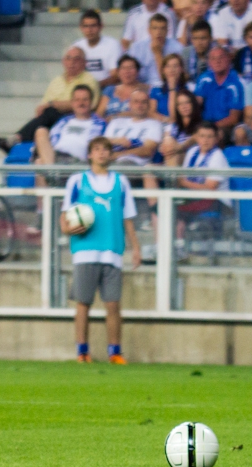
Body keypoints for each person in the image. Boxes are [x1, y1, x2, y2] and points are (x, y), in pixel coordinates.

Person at [59, 137, 141, 365]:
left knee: (113, 304)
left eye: (106, 150)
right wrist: (68, 228)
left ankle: (115, 352)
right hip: (85, 249)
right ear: (90, 155)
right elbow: (65, 214)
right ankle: (82, 351)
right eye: (97, 150)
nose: (102, 153)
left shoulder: (121, 182)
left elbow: (128, 217)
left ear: (111, 155)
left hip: (113, 249)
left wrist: (136, 247)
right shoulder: (77, 181)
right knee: (83, 303)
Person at [0, 47, 101, 149]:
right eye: (68, 59)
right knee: (45, 117)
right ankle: (18, 144)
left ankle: (16, 139)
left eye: (76, 59)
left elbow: (87, 104)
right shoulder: (56, 81)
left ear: (84, 62)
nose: (72, 62)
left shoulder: (89, 79)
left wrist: (53, 104)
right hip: (52, 119)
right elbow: (44, 105)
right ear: (63, 61)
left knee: (50, 112)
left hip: (75, 117)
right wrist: (46, 107)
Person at [34, 85, 107, 169]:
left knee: (40, 163)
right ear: (72, 103)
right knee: (41, 131)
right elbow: (51, 142)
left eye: (85, 99)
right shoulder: (63, 121)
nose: (81, 103)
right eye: (77, 100)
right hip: (56, 157)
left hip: (79, 162)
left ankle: (51, 173)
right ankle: (52, 171)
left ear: (91, 102)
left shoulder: (101, 124)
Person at [177, 122, 231, 235]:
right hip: (195, 197)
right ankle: (176, 243)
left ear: (216, 139)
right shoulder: (192, 152)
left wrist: (184, 183)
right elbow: (185, 177)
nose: (205, 140)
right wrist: (184, 183)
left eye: (209, 136)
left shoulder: (217, 156)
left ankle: (179, 243)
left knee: (177, 210)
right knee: (168, 208)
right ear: (196, 137)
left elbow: (210, 188)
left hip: (217, 201)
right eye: (202, 136)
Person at [194, 46, 246, 139]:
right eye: (213, 58)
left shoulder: (236, 82)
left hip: (225, 127)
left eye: (221, 57)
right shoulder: (204, 78)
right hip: (205, 124)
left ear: (229, 59)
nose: (217, 61)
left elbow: (234, 119)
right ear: (209, 62)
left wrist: (211, 128)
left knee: (218, 135)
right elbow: (196, 105)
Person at [103, 90, 164, 166]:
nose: (140, 105)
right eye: (136, 102)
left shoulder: (155, 124)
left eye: (143, 102)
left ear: (148, 105)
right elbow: (102, 144)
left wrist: (118, 154)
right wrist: (117, 141)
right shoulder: (115, 122)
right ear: (130, 104)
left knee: (123, 164)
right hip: (109, 163)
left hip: (135, 165)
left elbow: (148, 151)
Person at [128, 14, 185, 87]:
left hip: (167, 87)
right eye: (155, 28)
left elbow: (168, 79)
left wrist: (157, 53)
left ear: (167, 31)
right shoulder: (136, 48)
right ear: (149, 30)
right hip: (141, 87)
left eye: (162, 28)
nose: (159, 32)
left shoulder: (177, 48)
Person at [74, 10, 122, 88]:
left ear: (101, 26)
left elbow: (116, 77)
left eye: (93, 26)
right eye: (86, 26)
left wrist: (94, 85)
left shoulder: (112, 45)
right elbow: (72, 73)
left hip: (106, 89)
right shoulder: (76, 46)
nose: (89, 30)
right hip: (81, 91)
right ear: (81, 27)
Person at [96, 56, 148, 121]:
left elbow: (147, 112)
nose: (127, 71)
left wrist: (117, 116)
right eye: (123, 68)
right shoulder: (110, 90)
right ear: (118, 72)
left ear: (137, 71)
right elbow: (99, 113)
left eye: (130, 68)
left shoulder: (145, 90)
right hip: (109, 127)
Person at [160, 89, 202, 166]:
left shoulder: (201, 126)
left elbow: (189, 142)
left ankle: (172, 176)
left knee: (170, 143)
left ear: (193, 104)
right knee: (148, 169)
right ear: (177, 108)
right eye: (180, 104)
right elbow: (162, 148)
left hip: (190, 160)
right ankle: (171, 174)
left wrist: (177, 148)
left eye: (187, 102)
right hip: (171, 159)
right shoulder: (172, 126)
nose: (184, 107)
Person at [150, 53, 194, 121]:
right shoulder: (156, 87)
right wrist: (166, 120)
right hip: (161, 123)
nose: (172, 70)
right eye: (168, 66)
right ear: (163, 70)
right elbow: (151, 112)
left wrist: (172, 88)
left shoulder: (190, 88)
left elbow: (176, 116)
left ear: (181, 69)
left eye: (175, 66)